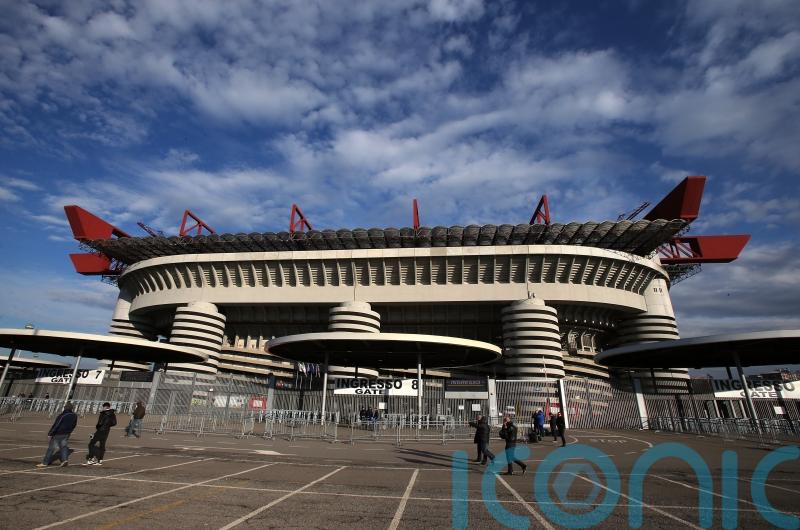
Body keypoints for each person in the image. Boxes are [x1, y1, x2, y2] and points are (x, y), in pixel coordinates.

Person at [37, 402, 78, 468]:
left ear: (65, 408)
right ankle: (64, 460)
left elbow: (56, 425)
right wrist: (70, 431)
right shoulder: (74, 415)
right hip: (67, 433)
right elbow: (74, 425)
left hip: (58, 433)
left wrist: (50, 433)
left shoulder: (62, 415)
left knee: (51, 448)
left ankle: (45, 462)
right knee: (64, 447)